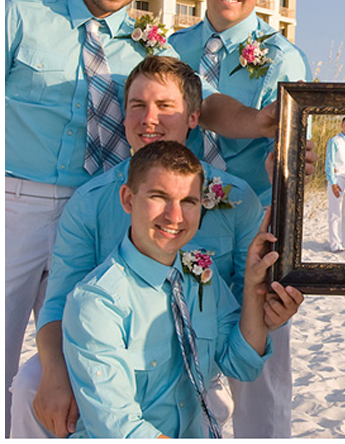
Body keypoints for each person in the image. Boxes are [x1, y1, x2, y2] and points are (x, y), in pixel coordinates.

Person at [3, 0, 283, 433]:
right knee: (19, 367)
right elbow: (67, 301)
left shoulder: (149, 44)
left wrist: (263, 121)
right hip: (18, 196)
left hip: (122, 194)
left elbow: (200, 99)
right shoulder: (20, 16)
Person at [10, 56, 263, 437]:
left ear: (193, 117)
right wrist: (55, 376)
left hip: (200, 353)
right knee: (31, 385)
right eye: (138, 106)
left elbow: (247, 297)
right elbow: (60, 300)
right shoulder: (90, 201)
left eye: (165, 107)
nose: (149, 119)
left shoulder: (236, 199)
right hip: (109, 350)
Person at [169, 0, 312, 437]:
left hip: (257, 231)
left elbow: (290, 161)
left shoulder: (283, 58)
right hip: (181, 227)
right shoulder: (172, 48)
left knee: (262, 378)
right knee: (185, 367)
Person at [61, 140, 303, 438]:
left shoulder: (200, 272)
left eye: (188, 201)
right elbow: (119, 429)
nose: (174, 217)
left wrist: (254, 290)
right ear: (128, 199)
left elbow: (240, 364)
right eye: (159, 197)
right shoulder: (97, 303)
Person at [325, 116, 345, 252]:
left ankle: (344, 243)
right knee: (335, 212)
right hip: (337, 179)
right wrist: (333, 183)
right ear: (341, 125)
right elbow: (329, 163)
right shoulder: (334, 141)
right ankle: (335, 244)